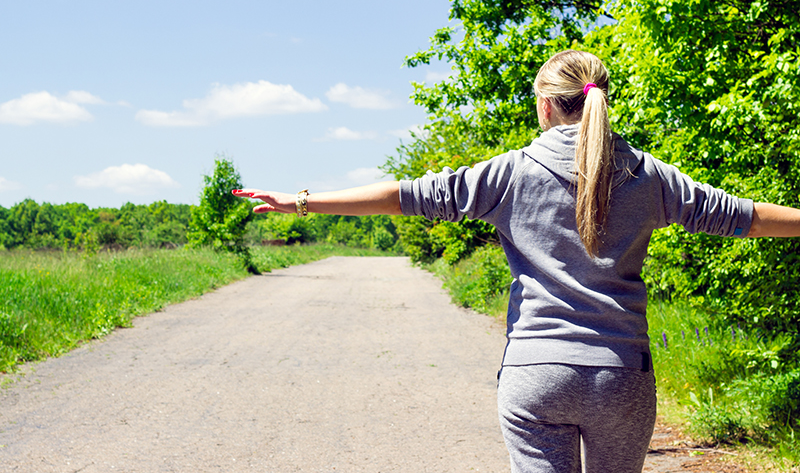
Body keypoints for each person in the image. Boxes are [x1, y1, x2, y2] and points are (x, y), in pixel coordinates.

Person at [233, 50, 800, 473]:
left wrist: (302, 200)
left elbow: (403, 196)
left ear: (548, 105)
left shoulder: (511, 172)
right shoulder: (650, 176)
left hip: (536, 375)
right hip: (622, 376)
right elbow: (747, 216)